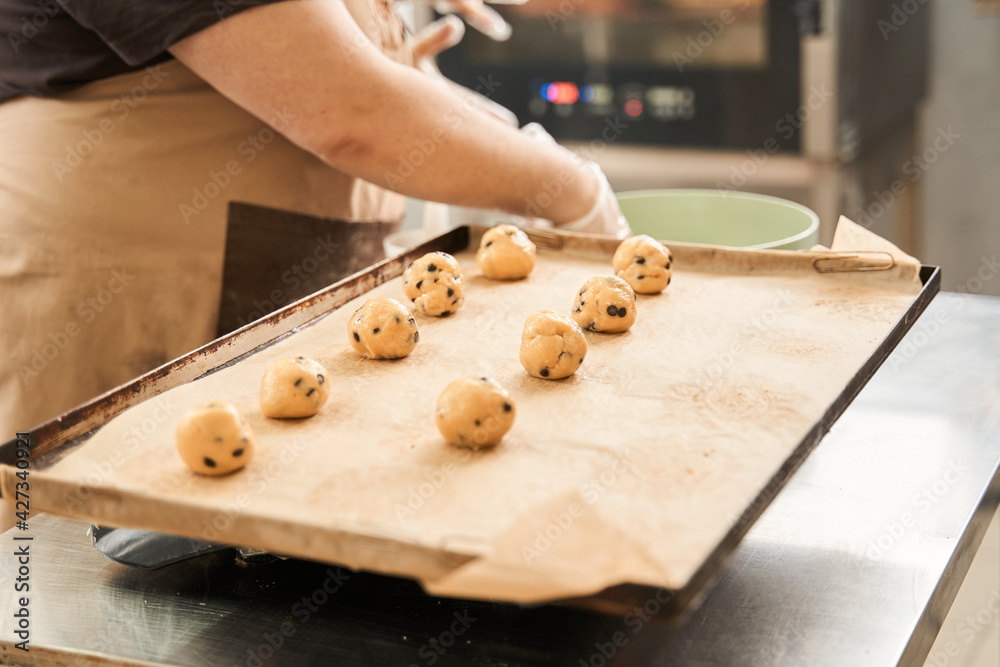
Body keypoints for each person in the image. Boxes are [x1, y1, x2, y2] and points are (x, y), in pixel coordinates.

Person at [0, 0, 630, 437]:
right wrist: (575, 192)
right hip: (129, 283)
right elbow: (349, 114)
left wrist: (410, 93)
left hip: (274, 260)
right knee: (93, 576)